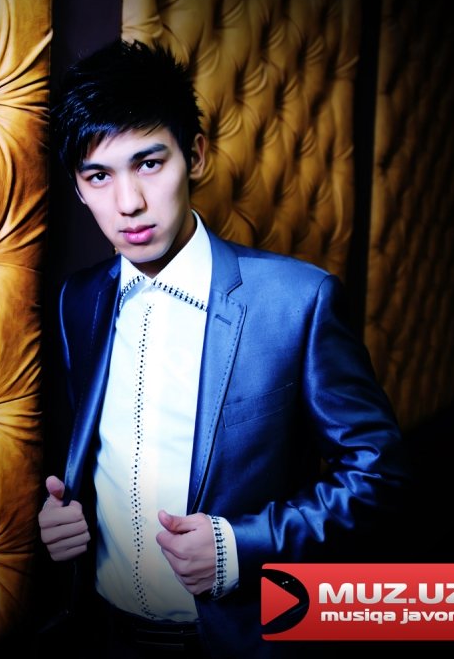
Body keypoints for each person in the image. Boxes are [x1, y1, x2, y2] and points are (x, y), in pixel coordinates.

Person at [36, 39, 410, 658]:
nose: (128, 203)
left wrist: (242, 547)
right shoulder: (79, 300)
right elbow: (95, 459)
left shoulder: (297, 302)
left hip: (238, 643)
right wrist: (65, 516)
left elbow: (379, 473)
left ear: (196, 155)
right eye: (98, 175)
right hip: (102, 635)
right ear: (79, 187)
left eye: (148, 163)